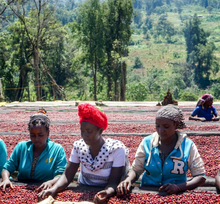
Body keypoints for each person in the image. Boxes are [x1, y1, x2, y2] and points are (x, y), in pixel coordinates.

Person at [38, 103, 129, 204]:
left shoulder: (116, 149)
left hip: (105, 192)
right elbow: (67, 176)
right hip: (82, 189)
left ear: (100, 131)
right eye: (82, 131)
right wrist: (54, 189)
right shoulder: (79, 147)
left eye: (89, 131)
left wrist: (107, 192)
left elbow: (113, 182)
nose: (84, 135)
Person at [117, 104, 206, 195]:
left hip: (176, 194)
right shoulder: (147, 143)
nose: (160, 130)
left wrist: (178, 187)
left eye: (166, 126)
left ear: (176, 125)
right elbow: (136, 170)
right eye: (157, 126)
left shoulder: (187, 146)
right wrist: (128, 180)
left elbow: (200, 177)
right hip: (147, 191)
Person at [0, 108, 67, 191]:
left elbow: (61, 174)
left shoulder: (57, 150)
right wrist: (6, 179)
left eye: (40, 135)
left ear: (48, 133)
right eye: (32, 135)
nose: (36, 139)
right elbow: (7, 168)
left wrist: (51, 182)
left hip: (46, 190)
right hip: (22, 189)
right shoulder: (21, 147)